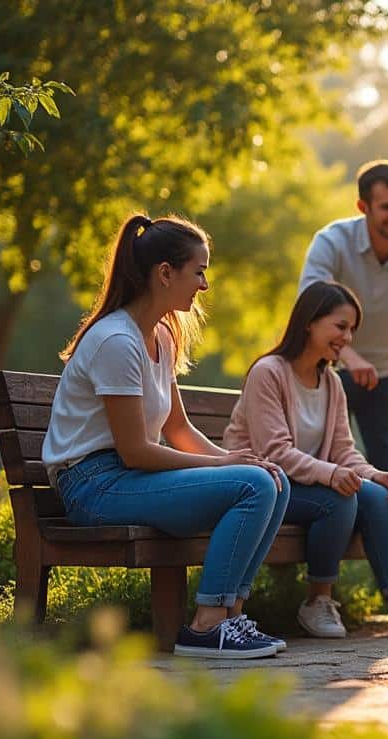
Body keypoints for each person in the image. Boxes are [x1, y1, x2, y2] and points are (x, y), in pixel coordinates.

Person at [42, 213, 290, 660]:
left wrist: (234, 459)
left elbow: (177, 429)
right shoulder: (116, 341)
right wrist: (224, 465)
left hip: (126, 478)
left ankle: (230, 615)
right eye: (199, 272)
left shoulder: (160, 336)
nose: (204, 285)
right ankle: (207, 625)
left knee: (272, 478)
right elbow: (136, 451)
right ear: (165, 273)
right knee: (253, 484)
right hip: (93, 485)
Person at [224, 281, 388, 639]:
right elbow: (274, 452)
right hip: (264, 486)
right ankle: (318, 600)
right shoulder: (268, 372)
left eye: (352, 330)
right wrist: (332, 474)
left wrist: (373, 473)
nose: (348, 338)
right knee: (339, 498)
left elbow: (342, 449)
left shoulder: (332, 383)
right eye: (341, 326)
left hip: (305, 486)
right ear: (310, 322)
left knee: (377, 495)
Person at [298, 159, 388, 597]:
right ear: (363, 207)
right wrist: (349, 356)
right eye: (387, 207)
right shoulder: (332, 242)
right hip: (329, 369)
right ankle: (318, 585)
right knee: (321, 462)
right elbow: (310, 305)